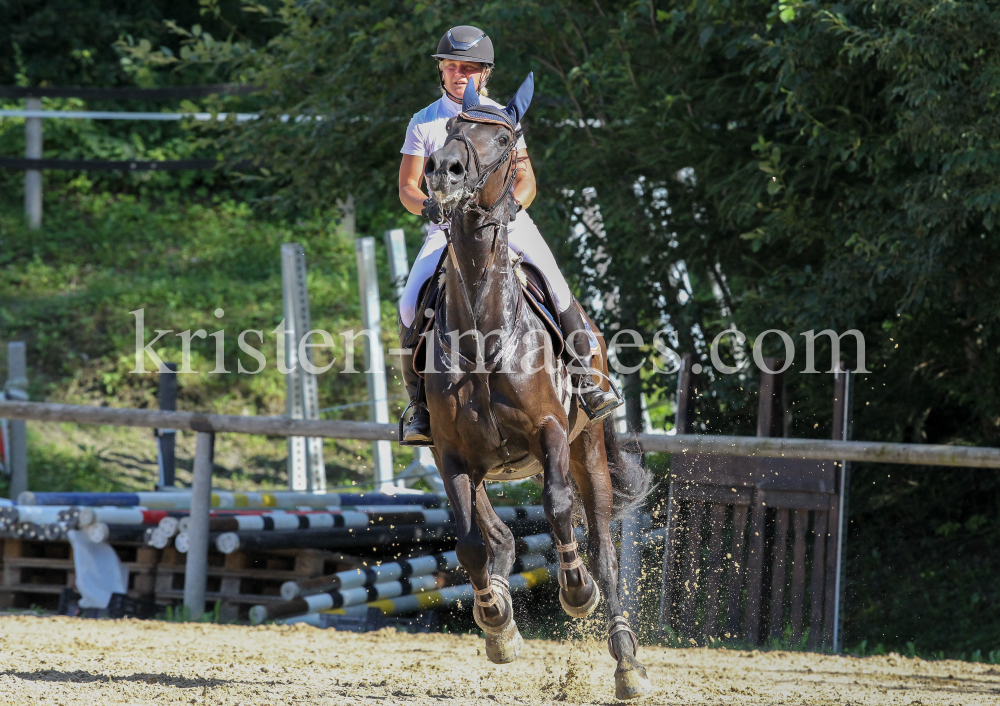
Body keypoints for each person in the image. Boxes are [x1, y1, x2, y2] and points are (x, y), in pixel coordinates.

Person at [397, 25, 620, 446]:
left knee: (556, 288)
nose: (459, 74)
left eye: (469, 68)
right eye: (452, 67)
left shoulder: (504, 116)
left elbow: (527, 181)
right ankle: (420, 407)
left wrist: (511, 208)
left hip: (508, 226)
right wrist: (427, 205)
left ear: (486, 73)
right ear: (441, 71)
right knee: (410, 304)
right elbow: (408, 186)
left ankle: (589, 381)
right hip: (447, 229)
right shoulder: (424, 122)